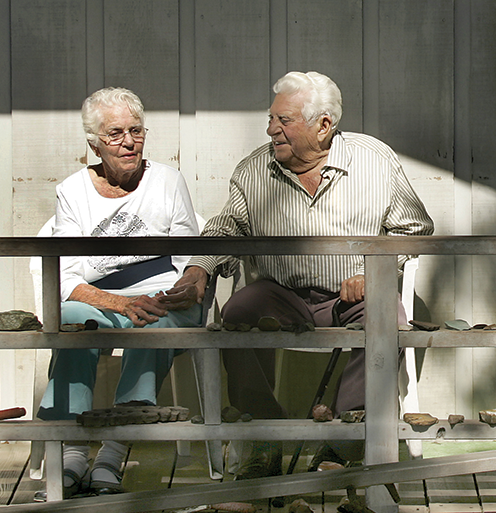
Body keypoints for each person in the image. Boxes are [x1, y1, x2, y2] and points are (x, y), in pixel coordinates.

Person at [178, 71, 434, 479]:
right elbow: (225, 229)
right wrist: (197, 270)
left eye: (284, 121)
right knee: (239, 312)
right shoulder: (254, 171)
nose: (271, 129)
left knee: (387, 318)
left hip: (351, 298)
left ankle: (344, 440)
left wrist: (375, 272)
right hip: (281, 294)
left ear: (324, 126)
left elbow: (414, 228)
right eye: (271, 119)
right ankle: (263, 436)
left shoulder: (375, 161)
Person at [37, 87, 205, 497]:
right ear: (94, 142)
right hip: (101, 299)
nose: (129, 142)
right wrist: (120, 302)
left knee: (154, 322)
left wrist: (181, 290)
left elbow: (191, 255)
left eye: (136, 130)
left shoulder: (168, 181)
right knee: (73, 323)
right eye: (115, 134)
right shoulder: (73, 191)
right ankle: (74, 452)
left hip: (160, 296)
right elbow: (64, 278)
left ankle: (112, 454)